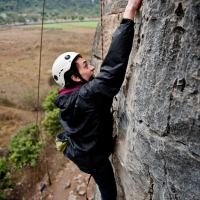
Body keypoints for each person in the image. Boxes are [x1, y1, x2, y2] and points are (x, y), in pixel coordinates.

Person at [52, 0, 142, 199]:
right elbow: (112, 68)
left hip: (80, 155)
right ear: (74, 77)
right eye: (85, 66)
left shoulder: (64, 99)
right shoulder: (87, 95)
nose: (92, 67)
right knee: (109, 191)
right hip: (94, 160)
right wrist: (129, 12)